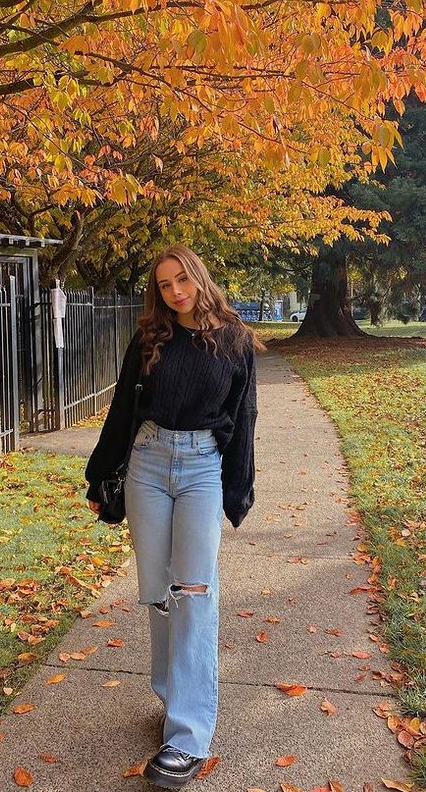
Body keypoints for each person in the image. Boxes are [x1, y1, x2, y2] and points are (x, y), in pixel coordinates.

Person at [84, 244, 266, 789]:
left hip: (201, 468)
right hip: (147, 462)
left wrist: (238, 487)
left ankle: (188, 736)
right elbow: (123, 407)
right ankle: (171, 699)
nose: (176, 292)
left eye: (182, 280)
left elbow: (244, 414)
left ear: (200, 277)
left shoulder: (234, 338)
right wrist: (101, 474)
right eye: (164, 285)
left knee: (194, 592)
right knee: (159, 590)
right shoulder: (150, 338)